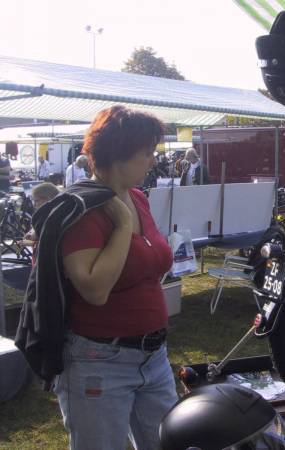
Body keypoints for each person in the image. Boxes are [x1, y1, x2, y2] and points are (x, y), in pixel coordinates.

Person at [55, 105, 178, 449]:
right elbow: (94, 290)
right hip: (100, 361)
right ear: (118, 154)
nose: (152, 161)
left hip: (153, 357)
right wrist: (123, 225)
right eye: (146, 153)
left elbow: (152, 260)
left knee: (168, 443)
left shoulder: (137, 197)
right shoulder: (81, 209)